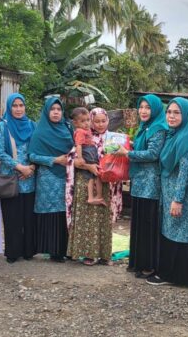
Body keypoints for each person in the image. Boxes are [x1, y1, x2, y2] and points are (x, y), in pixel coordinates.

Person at [146, 97, 188, 286]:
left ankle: (183, 277)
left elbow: (186, 173)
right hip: (169, 192)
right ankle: (168, 273)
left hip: (183, 195)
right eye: (169, 112)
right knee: (171, 231)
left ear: (186, 115)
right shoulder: (173, 135)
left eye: (176, 112)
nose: (171, 116)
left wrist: (178, 199)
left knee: (184, 233)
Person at [113, 94, 168, 278]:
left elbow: (153, 154)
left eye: (148, 108)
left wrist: (127, 153)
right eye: (141, 107)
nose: (143, 111)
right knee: (138, 223)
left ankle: (149, 264)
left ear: (155, 110)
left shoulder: (159, 128)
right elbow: (140, 147)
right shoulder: (145, 127)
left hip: (151, 184)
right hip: (139, 182)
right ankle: (137, 261)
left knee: (148, 224)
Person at [67, 108, 122, 266]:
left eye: (103, 121)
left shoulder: (113, 139)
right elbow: (74, 159)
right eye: (96, 121)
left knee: (103, 219)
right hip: (86, 182)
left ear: (108, 121)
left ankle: (104, 255)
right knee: (87, 219)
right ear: (90, 121)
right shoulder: (84, 135)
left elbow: (120, 158)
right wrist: (90, 168)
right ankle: (88, 255)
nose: (99, 124)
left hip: (105, 183)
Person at [28, 97, 73, 262]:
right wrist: (54, 160)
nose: (56, 112)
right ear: (47, 112)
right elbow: (32, 155)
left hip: (67, 176)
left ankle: (66, 249)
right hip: (48, 178)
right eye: (52, 109)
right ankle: (53, 250)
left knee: (65, 212)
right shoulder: (40, 132)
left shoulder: (67, 128)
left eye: (58, 109)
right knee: (51, 213)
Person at [0, 93, 37, 263]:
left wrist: (32, 167)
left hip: (30, 178)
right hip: (11, 178)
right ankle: (13, 252)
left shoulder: (32, 125)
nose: (18, 109)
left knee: (28, 217)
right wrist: (20, 167)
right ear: (9, 107)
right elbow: (0, 152)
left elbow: (38, 149)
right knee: (12, 217)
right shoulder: (2, 126)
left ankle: (29, 251)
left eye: (21, 105)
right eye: (15, 106)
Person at [71, 107, 105, 206]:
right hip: (87, 152)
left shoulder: (89, 130)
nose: (86, 123)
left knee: (95, 175)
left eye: (88, 120)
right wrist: (80, 157)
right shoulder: (80, 132)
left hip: (91, 151)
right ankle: (92, 197)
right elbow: (79, 145)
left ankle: (98, 196)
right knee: (92, 176)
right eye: (83, 121)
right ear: (76, 123)